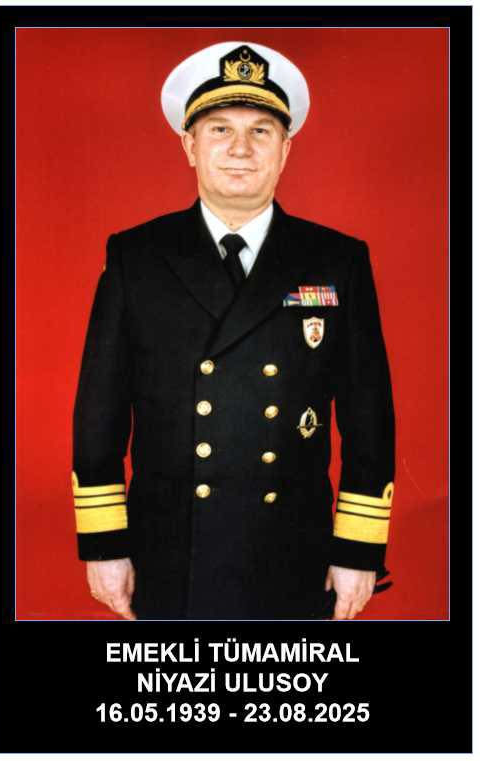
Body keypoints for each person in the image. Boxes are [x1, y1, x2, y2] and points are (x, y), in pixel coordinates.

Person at [72, 41, 395, 621]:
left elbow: (368, 415)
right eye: (220, 129)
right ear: (189, 145)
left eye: (260, 132)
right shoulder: (136, 256)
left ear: (285, 150)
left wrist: (357, 550)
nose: (240, 149)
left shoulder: (338, 259)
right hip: (169, 549)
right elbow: (100, 411)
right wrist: (104, 545)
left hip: (293, 549)